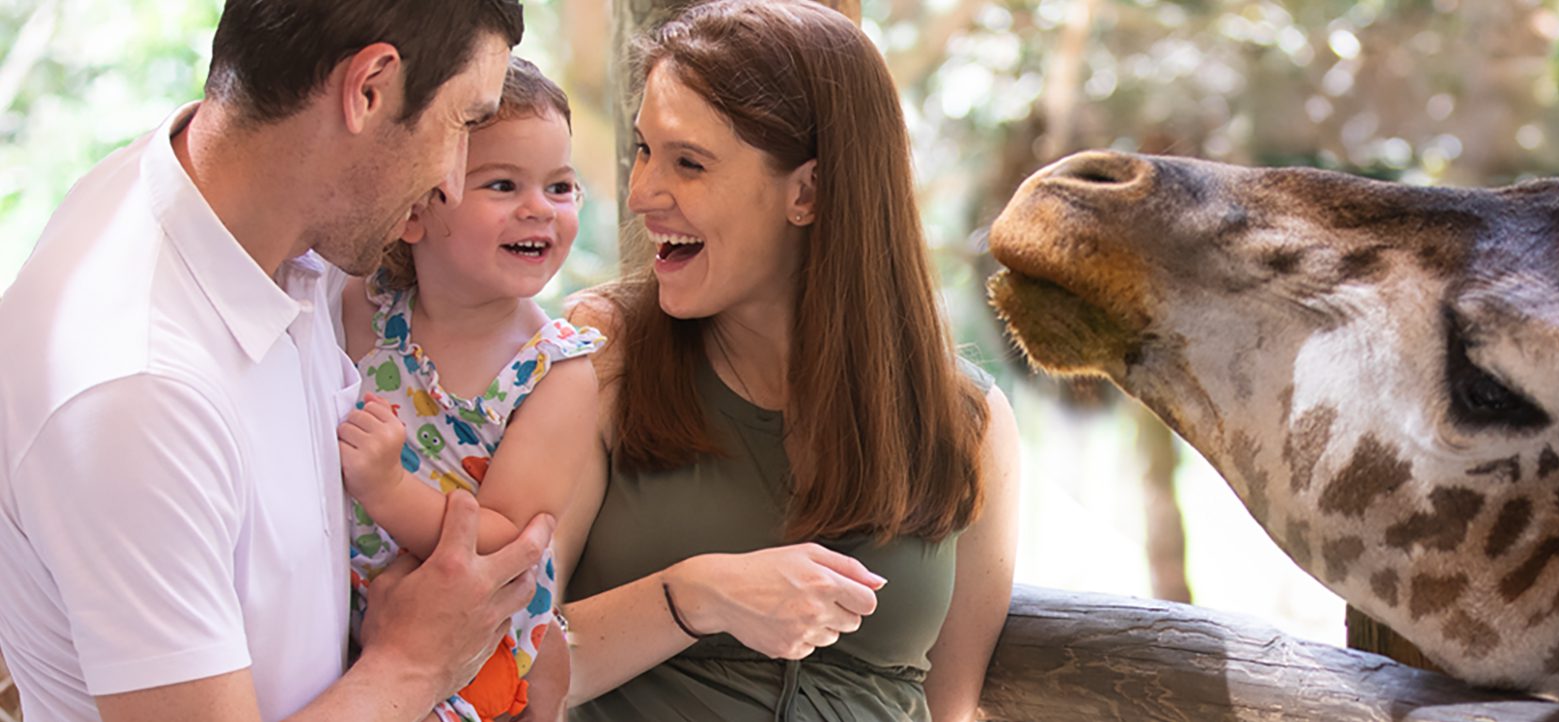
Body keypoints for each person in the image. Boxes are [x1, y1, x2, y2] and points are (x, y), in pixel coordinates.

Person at [0, 2, 556, 721]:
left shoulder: (258, 217)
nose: (453, 179)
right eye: (462, 125)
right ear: (369, 89)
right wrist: (413, 664)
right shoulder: (140, 394)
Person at [555, 1, 1022, 720]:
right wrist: (694, 596)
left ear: (806, 191)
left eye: (688, 162)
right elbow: (500, 665)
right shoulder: (602, 352)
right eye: (644, 151)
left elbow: (949, 708)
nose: (642, 193)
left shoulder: (969, 420)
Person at [337, 55, 601, 722]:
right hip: (345, 631)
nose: (540, 209)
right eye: (504, 184)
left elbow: (509, 535)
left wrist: (388, 490)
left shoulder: (556, 372)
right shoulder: (364, 307)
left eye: (561, 187)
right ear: (414, 211)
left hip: (475, 648)